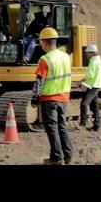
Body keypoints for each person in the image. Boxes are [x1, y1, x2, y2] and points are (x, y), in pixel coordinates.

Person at [30, 27, 75, 165]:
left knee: (52, 128)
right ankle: (68, 155)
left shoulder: (45, 59)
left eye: (41, 42)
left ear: (45, 42)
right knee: (62, 126)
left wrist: (34, 98)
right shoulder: (65, 57)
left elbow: (39, 80)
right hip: (64, 98)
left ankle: (57, 158)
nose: (41, 45)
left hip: (49, 98)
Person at [79, 44, 101, 131]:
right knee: (94, 106)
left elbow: (90, 75)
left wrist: (82, 82)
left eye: (88, 52)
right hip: (96, 85)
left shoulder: (93, 62)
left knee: (84, 104)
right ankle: (96, 126)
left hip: (93, 86)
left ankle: (83, 123)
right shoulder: (98, 60)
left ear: (92, 53)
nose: (86, 54)